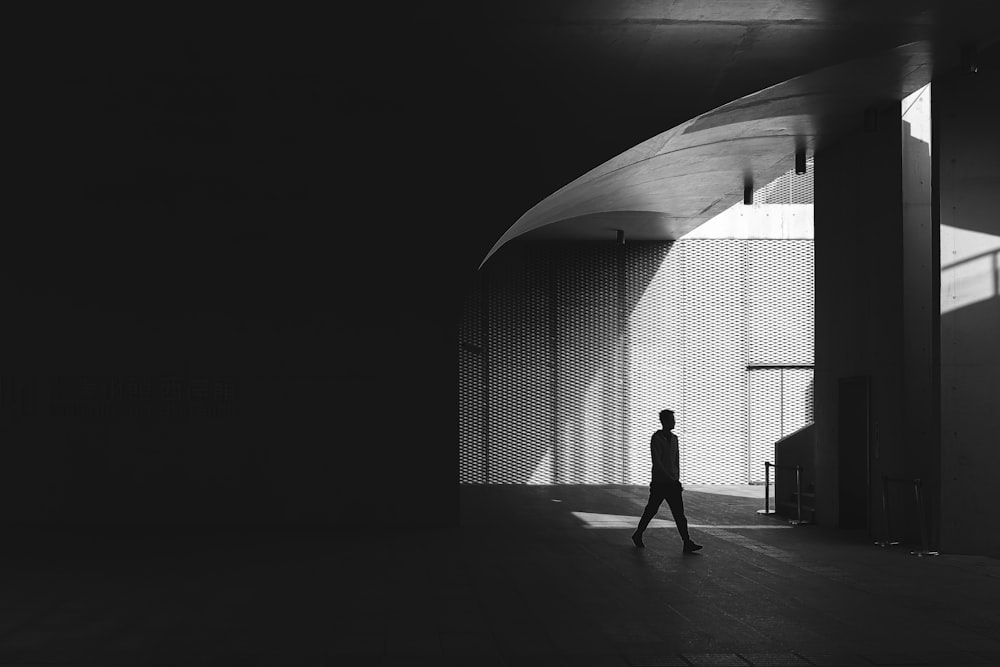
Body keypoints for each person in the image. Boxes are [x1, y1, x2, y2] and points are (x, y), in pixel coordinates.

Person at [631, 409, 703, 553]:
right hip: (660, 482)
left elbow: (676, 461)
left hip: (671, 482)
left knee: (679, 514)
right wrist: (671, 478)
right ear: (664, 421)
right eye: (671, 420)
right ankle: (638, 533)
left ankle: (686, 541)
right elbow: (657, 461)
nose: (674, 422)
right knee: (652, 510)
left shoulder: (675, 439)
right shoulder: (656, 438)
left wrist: (676, 478)